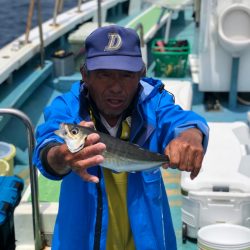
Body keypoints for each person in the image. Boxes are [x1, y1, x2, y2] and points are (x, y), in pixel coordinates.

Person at [33, 25, 209, 250]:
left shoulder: (154, 104)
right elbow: (47, 146)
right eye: (104, 74)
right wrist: (62, 156)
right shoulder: (67, 108)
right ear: (85, 75)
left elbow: (180, 120)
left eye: (126, 75)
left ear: (141, 74)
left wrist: (192, 135)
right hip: (81, 242)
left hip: (146, 241)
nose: (116, 87)